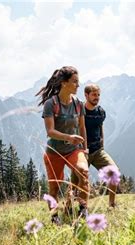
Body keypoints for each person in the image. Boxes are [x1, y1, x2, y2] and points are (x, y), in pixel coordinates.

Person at [36, 66, 90, 224]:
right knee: (54, 188)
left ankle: (82, 211)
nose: (78, 85)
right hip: (54, 151)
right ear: (64, 83)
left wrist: (84, 148)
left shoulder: (78, 104)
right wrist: (69, 137)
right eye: (75, 82)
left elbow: (82, 128)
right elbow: (50, 131)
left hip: (74, 149)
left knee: (83, 172)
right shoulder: (51, 104)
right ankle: (54, 217)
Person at [71, 84, 119, 208]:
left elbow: (100, 126)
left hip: (97, 151)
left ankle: (112, 205)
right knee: (75, 183)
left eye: (98, 95)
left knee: (113, 172)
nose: (96, 97)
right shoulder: (79, 111)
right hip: (81, 152)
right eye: (93, 95)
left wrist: (102, 144)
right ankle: (69, 208)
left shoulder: (101, 112)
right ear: (86, 95)